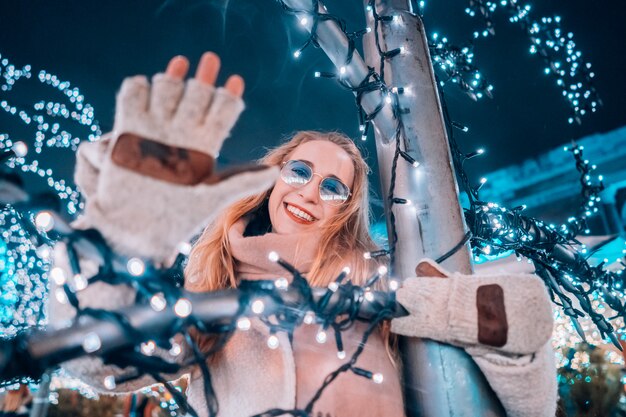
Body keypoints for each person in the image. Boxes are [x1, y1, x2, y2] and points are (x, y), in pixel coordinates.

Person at [49, 52, 558, 417]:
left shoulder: (382, 282)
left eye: (333, 186)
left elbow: (528, 359)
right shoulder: (212, 294)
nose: (311, 192)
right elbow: (97, 363)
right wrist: (121, 228)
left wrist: (443, 308)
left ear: (347, 209)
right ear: (273, 177)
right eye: (299, 172)